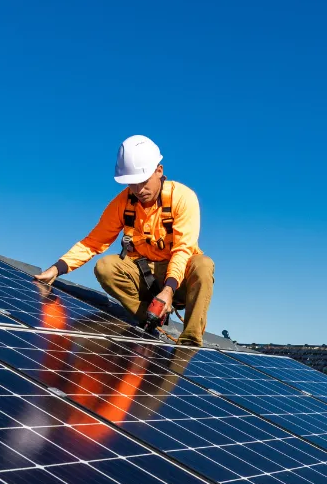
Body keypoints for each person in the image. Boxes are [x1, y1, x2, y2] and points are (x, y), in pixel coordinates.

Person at [35, 135, 214, 345]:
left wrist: (168, 289)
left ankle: (190, 341)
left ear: (159, 171)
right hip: (143, 273)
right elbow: (93, 242)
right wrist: (56, 269)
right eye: (132, 184)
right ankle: (150, 318)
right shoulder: (123, 203)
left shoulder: (183, 198)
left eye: (143, 182)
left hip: (179, 278)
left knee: (203, 265)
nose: (139, 190)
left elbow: (183, 249)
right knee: (105, 267)